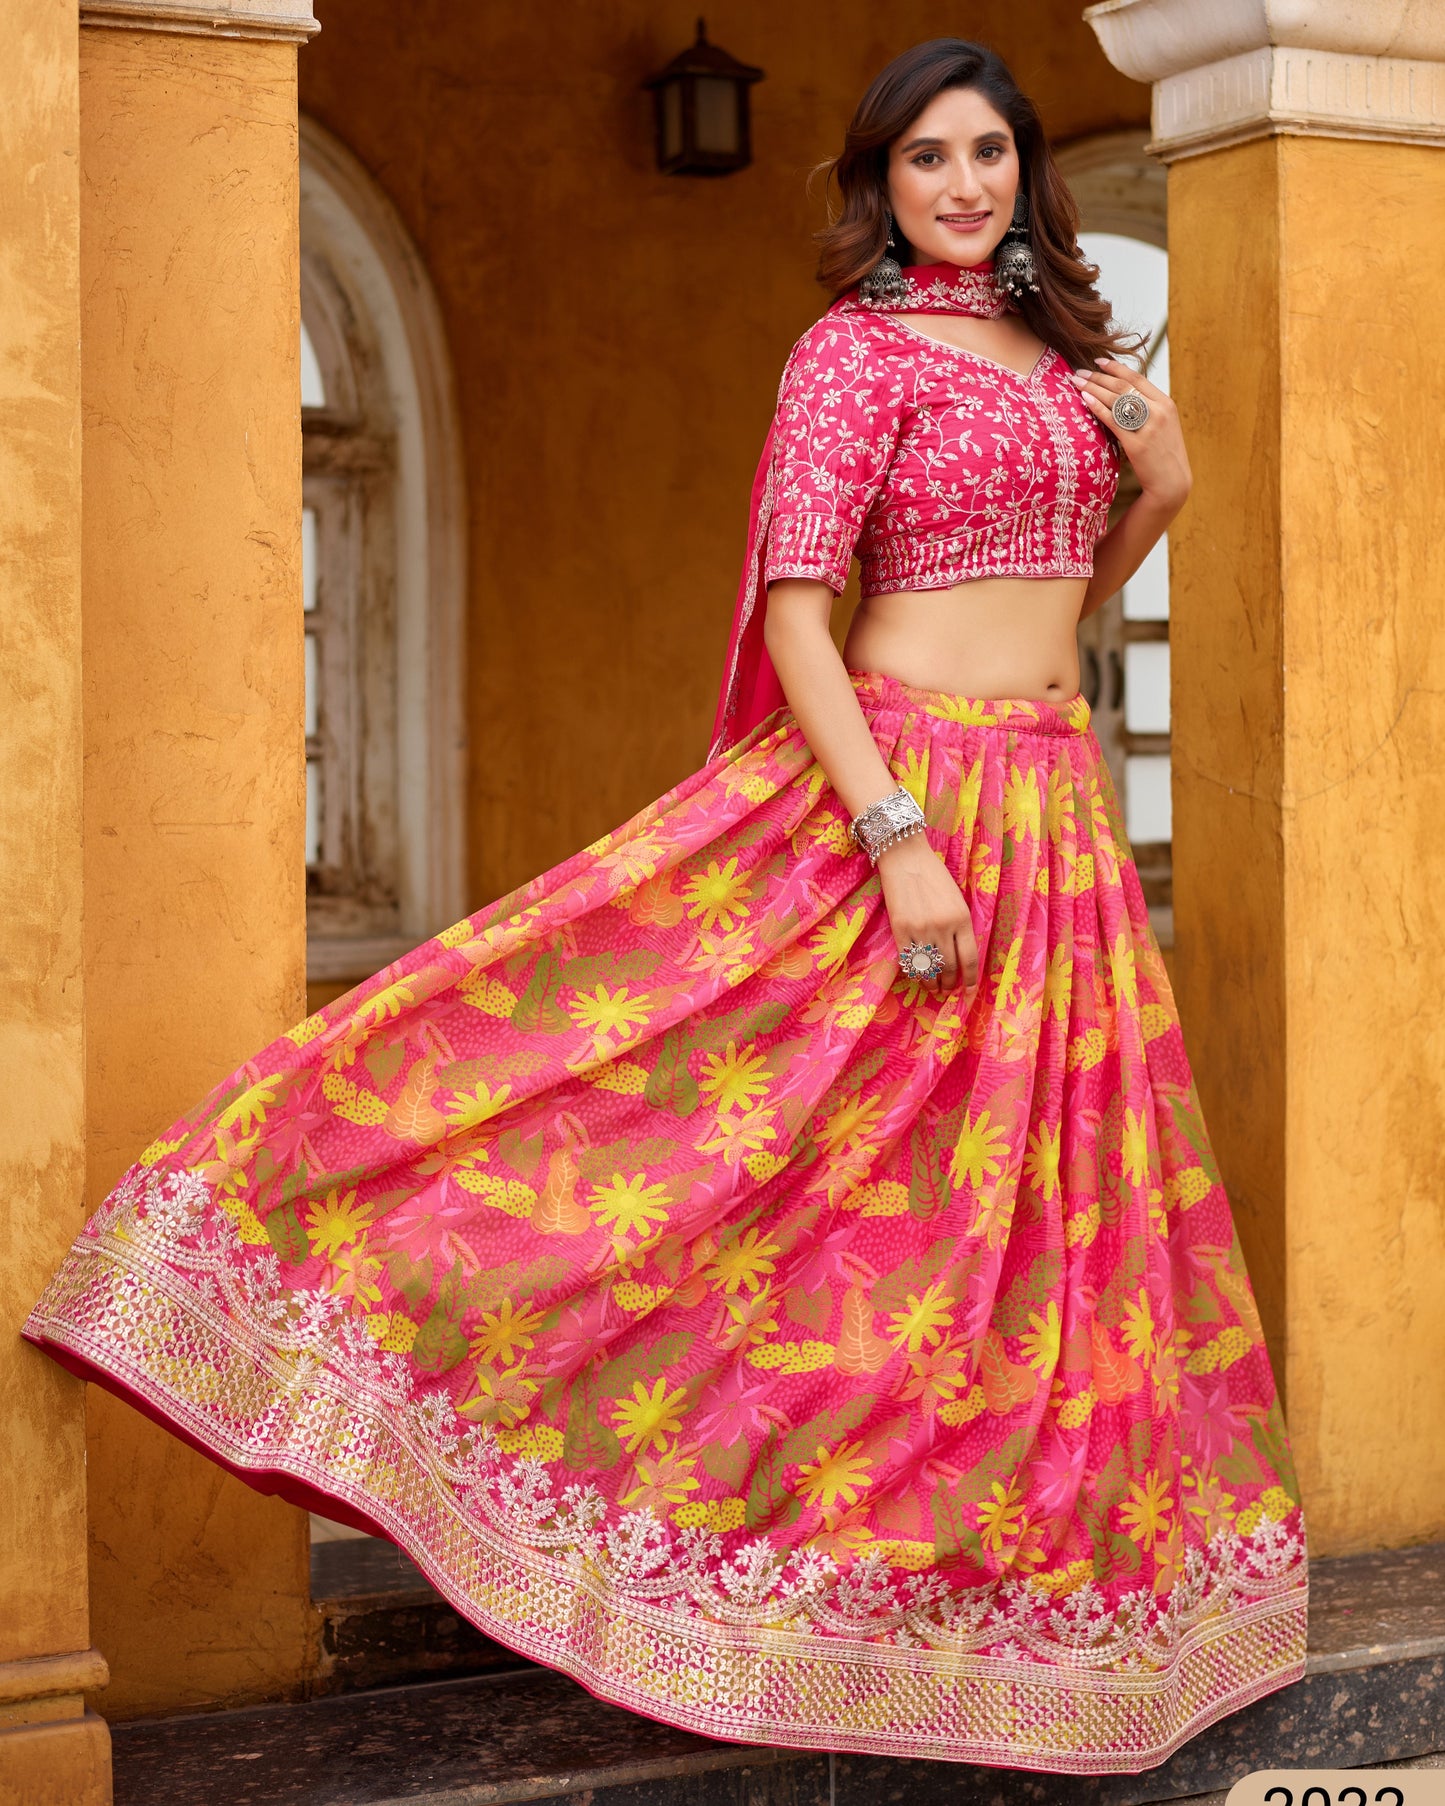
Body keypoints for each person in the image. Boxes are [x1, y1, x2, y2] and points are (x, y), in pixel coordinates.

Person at [25, 36, 1307, 1776]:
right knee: (750, 1149)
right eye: (925, 157)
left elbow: (1067, 591)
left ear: (1026, 172)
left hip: (1051, 811)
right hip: (905, 793)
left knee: (1009, 1219)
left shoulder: (1073, 363)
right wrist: (893, 830)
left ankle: (969, 1610)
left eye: (987, 152)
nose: (961, 184)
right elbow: (796, 610)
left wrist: (1157, 483)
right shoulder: (851, 354)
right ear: (880, 184)